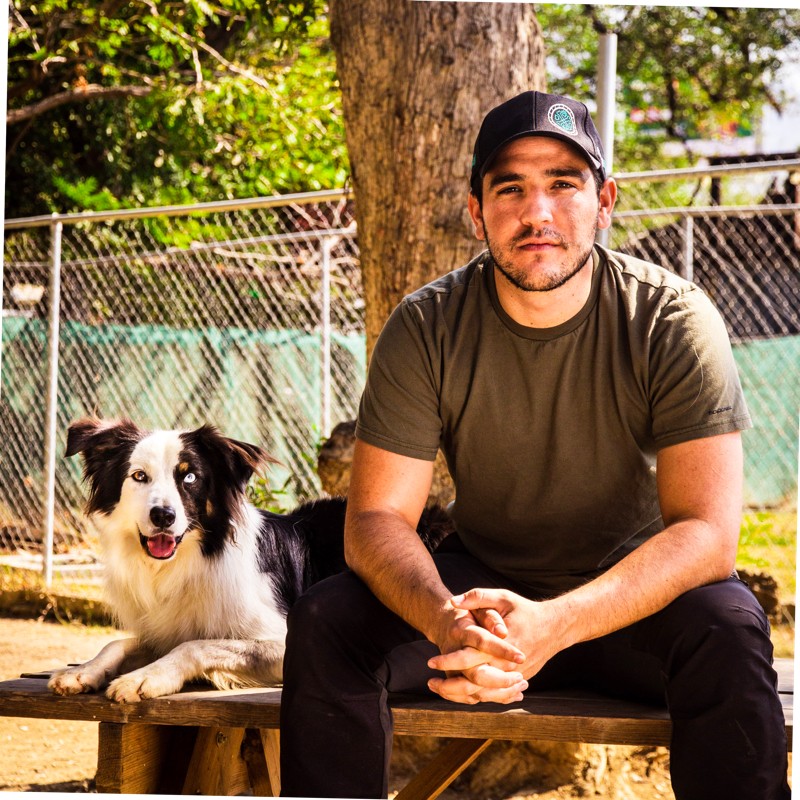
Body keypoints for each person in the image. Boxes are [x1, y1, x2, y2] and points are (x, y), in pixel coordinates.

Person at [279, 91, 790, 799]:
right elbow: (375, 522)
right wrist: (446, 619)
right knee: (327, 620)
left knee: (729, 625)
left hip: (630, 607)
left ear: (605, 199)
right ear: (476, 210)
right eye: (510, 188)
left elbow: (708, 534)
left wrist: (557, 623)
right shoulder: (427, 325)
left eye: (563, 184)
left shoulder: (672, 318)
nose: (537, 213)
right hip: (482, 600)